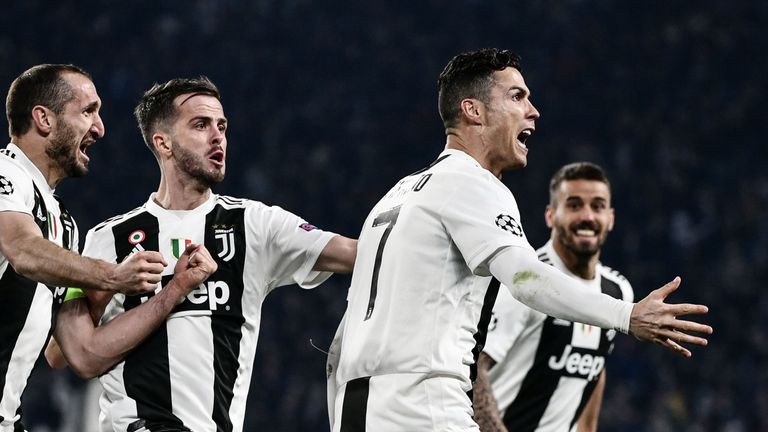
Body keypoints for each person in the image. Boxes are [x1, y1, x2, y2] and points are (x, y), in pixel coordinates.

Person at [329, 48, 711, 431]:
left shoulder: (396, 194)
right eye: (517, 96)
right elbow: (527, 279)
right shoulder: (473, 183)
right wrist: (626, 316)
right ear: (473, 111)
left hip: (355, 407)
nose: (533, 110)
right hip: (424, 406)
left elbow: (341, 341)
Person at [48, 76, 356, 432]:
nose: (217, 137)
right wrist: (107, 289)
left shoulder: (255, 224)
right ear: (162, 143)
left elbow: (354, 253)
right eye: (200, 125)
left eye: (222, 126)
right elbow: (61, 353)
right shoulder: (108, 238)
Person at [0, 64, 174, 431]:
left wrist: (105, 296)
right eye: (87, 111)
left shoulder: (63, 225)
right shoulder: (4, 173)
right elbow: (21, 249)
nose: (100, 128)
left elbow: (59, 354)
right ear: (43, 119)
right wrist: (113, 275)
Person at [472, 162, 632, 432]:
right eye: (574, 205)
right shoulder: (525, 280)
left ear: (611, 218)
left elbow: (595, 369)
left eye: (598, 206)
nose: (587, 216)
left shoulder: (618, 290)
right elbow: (475, 367)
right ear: (550, 215)